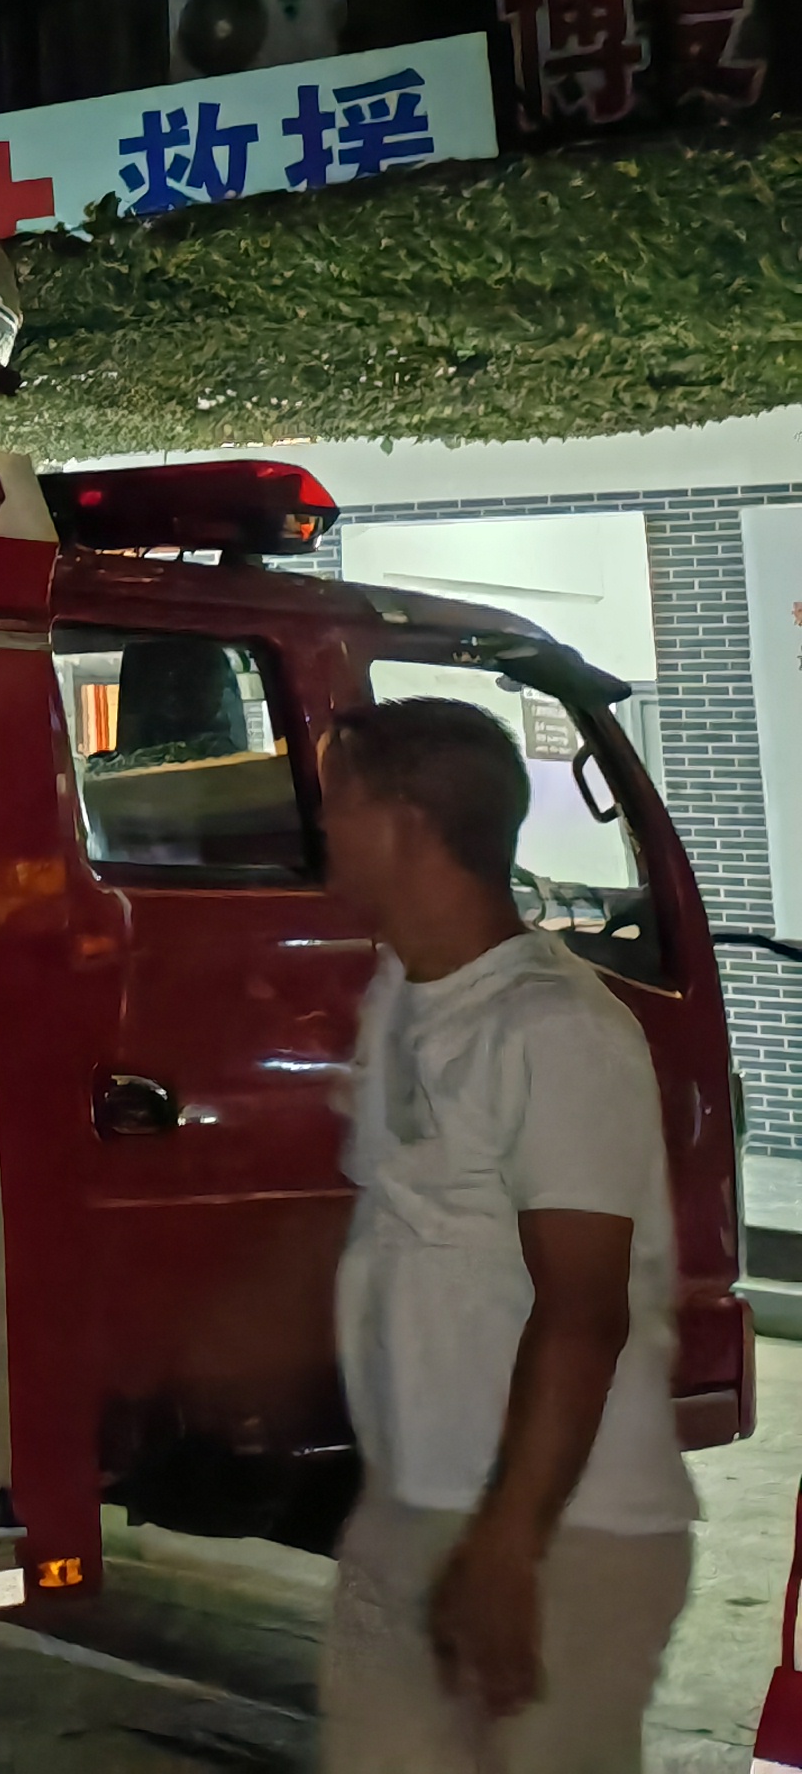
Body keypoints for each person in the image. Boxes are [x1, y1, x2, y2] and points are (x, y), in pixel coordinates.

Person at [316, 695, 695, 1772]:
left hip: (564, 1535)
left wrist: (508, 1547)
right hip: (412, 1510)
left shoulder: (554, 1030)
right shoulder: (400, 995)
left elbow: (582, 1313)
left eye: (338, 802)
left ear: (404, 826)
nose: (320, 827)